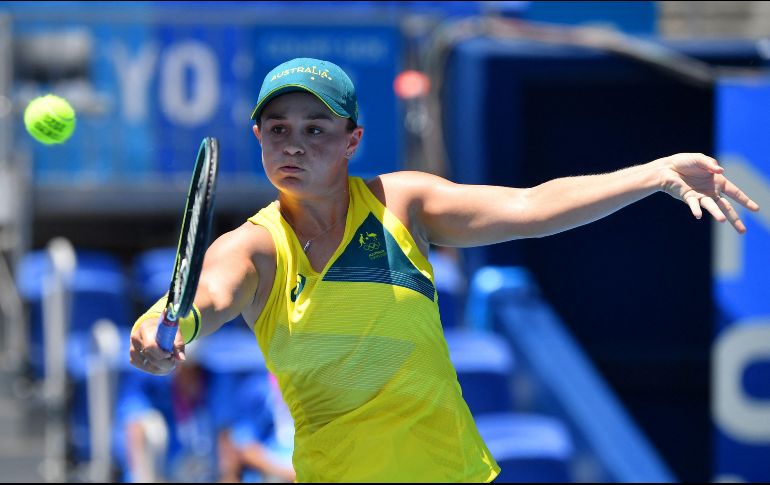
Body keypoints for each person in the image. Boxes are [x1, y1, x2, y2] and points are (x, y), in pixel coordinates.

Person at [129, 57, 760, 482]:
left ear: (353, 140)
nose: (294, 144)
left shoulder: (404, 203)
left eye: (317, 129)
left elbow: (532, 206)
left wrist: (652, 175)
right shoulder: (255, 248)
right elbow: (206, 296)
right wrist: (162, 323)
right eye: (278, 128)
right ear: (260, 136)